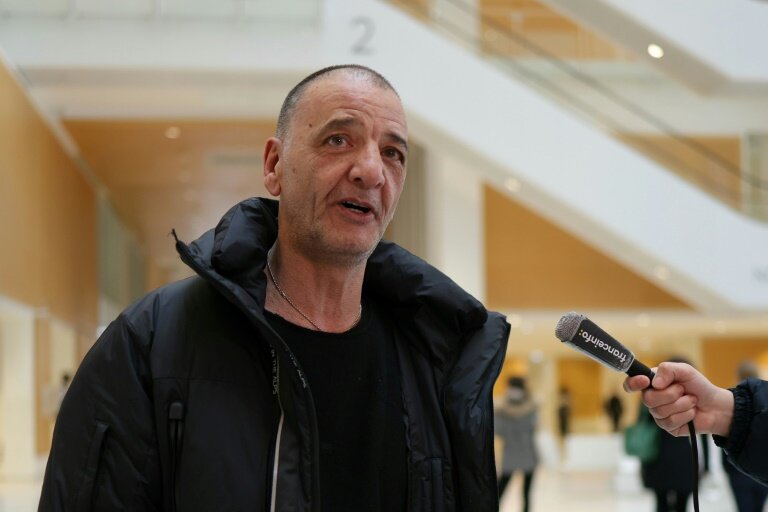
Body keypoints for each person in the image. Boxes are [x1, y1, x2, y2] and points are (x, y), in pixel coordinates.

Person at [38, 65, 511, 511]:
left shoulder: (434, 357)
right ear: (274, 165)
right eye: (338, 139)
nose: (371, 171)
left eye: (393, 153)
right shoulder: (150, 344)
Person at [623, 361, 768, 487]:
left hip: (662, 460)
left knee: (663, 503)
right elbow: (704, 439)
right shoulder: (661, 398)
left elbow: (644, 425)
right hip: (684, 460)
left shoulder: (655, 399)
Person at [722, 361, 768, 512]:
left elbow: (725, 437)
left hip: (738, 470)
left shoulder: (731, 400)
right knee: (758, 508)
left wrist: (728, 468)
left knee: (744, 508)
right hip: (763, 468)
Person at [494, 376, 538, 512]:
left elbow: (498, 431)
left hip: (521, 453)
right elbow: (533, 427)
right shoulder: (530, 406)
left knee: (522, 492)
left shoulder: (502, 408)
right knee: (505, 489)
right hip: (519, 452)